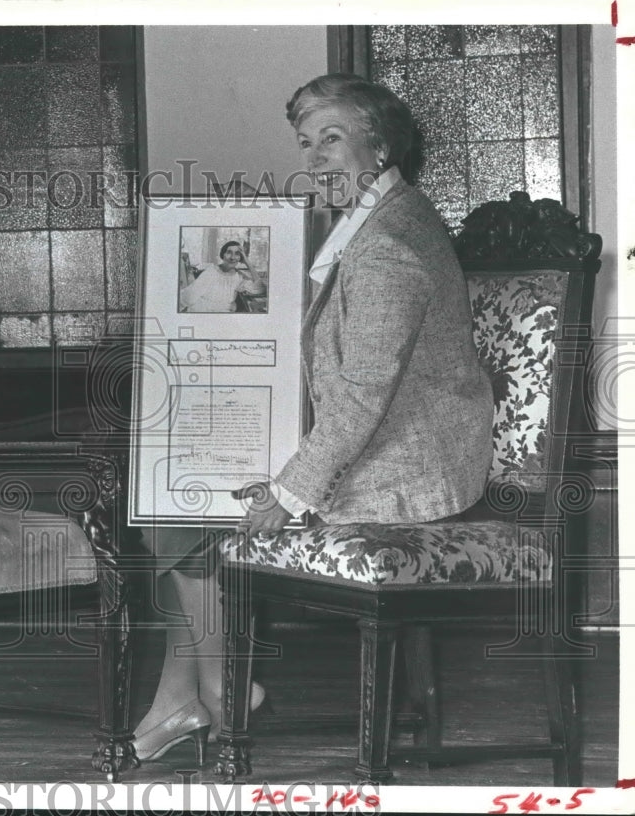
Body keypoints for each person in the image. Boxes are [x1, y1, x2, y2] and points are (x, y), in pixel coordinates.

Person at [132, 73, 494, 764]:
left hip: (405, 471)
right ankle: (196, 689)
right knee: (173, 497)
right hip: (378, 440)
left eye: (333, 138)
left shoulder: (390, 245)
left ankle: (205, 689)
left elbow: (361, 395)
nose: (317, 156)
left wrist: (288, 491)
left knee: (186, 513)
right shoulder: (371, 221)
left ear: (380, 142)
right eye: (307, 143)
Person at [178, 241, 264, 312]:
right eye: (229, 252)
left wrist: (247, 262)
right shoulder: (212, 271)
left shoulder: (239, 277)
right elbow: (190, 295)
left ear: (240, 258)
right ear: (223, 255)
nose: (233, 257)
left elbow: (259, 288)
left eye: (237, 254)